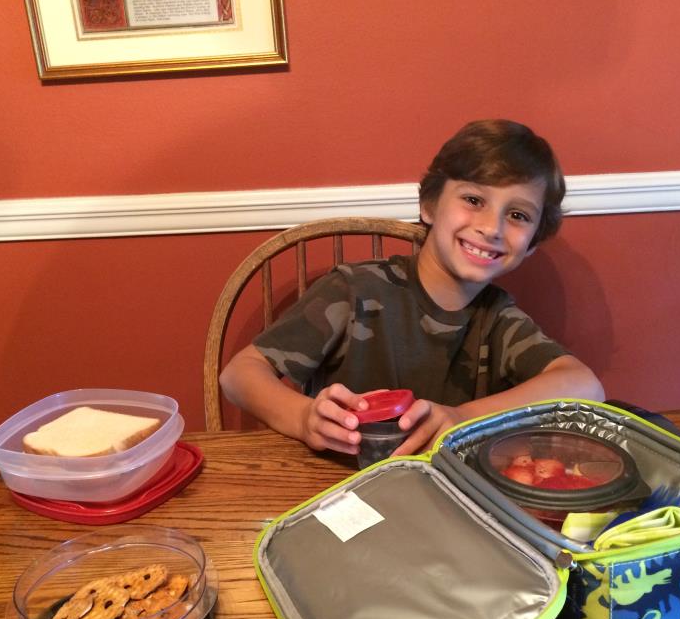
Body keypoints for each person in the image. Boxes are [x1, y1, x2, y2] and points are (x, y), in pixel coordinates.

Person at [220, 119, 604, 458]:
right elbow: (239, 374)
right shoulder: (353, 291)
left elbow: (585, 384)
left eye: (518, 215)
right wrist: (305, 418)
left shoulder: (498, 318)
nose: (492, 227)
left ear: (533, 241)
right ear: (429, 206)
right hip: (336, 490)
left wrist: (459, 418)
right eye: (473, 199)